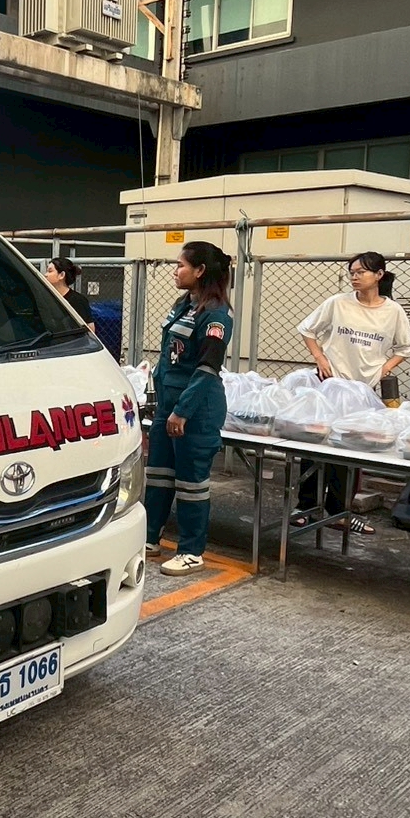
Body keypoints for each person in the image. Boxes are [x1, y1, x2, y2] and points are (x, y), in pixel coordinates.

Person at [294, 251, 410, 534]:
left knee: (348, 451)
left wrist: (384, 368)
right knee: (314, 445)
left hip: (362, 393)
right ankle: (305, 507)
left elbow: (406, 347)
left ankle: (339, 512)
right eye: (352, 272)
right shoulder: (337, 303)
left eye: (361, 272)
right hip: (329, 386)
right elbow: (308, 330)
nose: (355, 276)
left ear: (379, 275)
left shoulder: (393, 311)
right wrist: (320, 358)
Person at [143, 241, 234, 577]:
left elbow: (207, 368)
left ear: (200, 271)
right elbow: (170, 357)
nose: (175, 270)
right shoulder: (184, 305)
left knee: (190, 483)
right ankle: (150, 539)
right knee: (158, 475)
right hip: (168, 404)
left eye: (180, 265)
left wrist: (182, 411)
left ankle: (191, 551)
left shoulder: (216, 314)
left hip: (196, 410)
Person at [44, 256, 96, 334]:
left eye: (50, 271)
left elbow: (90, 329)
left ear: (61, 275)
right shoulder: (45, 298)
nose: (45, 275)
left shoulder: (78, 301)